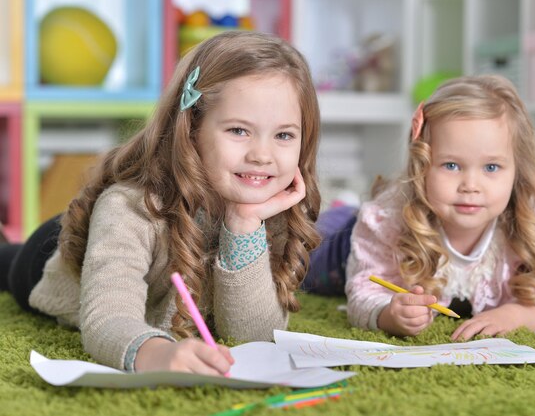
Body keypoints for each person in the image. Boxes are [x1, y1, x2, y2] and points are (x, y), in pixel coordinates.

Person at [0, 31, 321, 375]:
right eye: (239, 131)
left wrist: (244, 226)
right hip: (61, 251)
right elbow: (108, 316)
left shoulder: (267, 209)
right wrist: (156, 354)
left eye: (284, 135)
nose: (261, 155)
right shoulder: (129, 207)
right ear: (192, 128)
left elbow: (253, 337)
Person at [303, 75, 535, 340]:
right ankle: (342, 208)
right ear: (422, 166)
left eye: (491, 167)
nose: (471, 185)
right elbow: (364, 290)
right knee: (302, 263)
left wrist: (517, 315)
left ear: (517, 170)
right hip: (342, 247)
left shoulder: (531, 220)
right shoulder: (387, 220)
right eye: (452, 165)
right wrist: (388, 314)